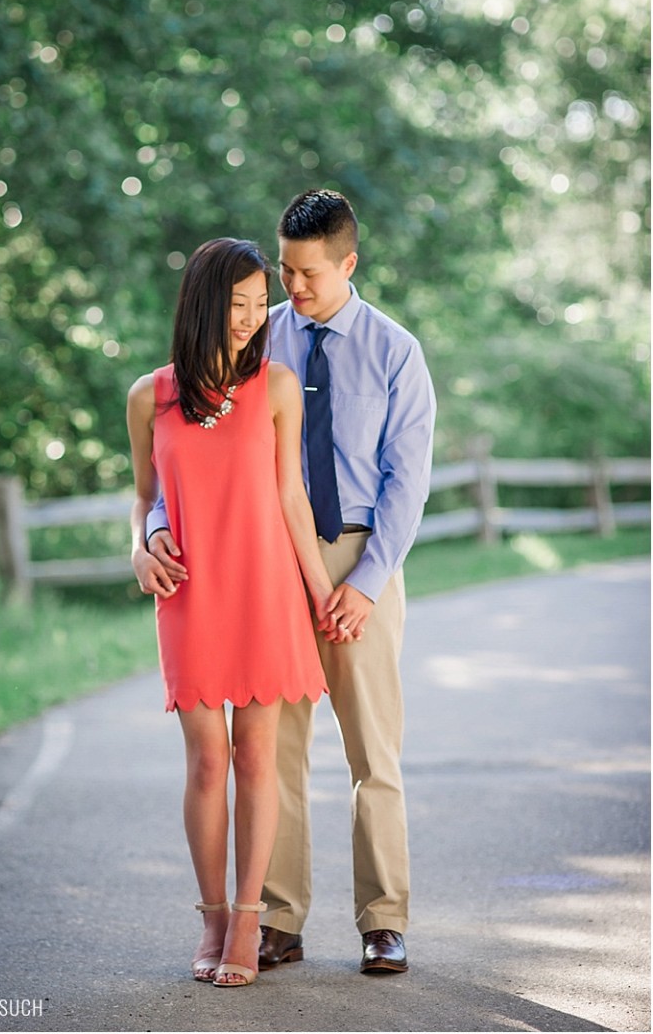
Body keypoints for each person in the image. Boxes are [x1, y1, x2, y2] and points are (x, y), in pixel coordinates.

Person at [145, 191, 436, 974]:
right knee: (272, 754)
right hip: (263, 569)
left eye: (307, 273)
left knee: (372, 749)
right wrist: (150, 532)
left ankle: (383, 917)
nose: (290, 289)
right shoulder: (251, 336)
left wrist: (367, 582)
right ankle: (275, 918)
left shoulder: (394, 350)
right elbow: (180, 456)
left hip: (354, 557)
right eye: (284, 270)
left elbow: (406, 482)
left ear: (348, 263)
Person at [127, 236, 348, 989]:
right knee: (204, 759)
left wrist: (321, 591)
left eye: (263, 302)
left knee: (256, 757)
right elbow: (144, 497)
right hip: (189, 591)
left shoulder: (278, 385)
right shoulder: (149, 396)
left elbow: (292, 496)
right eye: (239, 303)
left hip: (265, 590)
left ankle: (250, 919)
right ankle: (213, 915)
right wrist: (141, 543)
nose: (254, 317)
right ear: (201, 303)